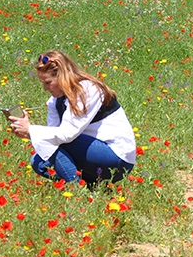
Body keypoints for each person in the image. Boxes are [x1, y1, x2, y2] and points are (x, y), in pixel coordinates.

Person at [9, 50, 136, 186]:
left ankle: (77, 193)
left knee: (58, 143)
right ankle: (90, 187)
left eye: (48, 82)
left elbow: (66, 135)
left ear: (62, 76)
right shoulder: (55, 101)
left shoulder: (87, 90)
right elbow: (53, 136)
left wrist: (30, 130)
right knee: (38, 162)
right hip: (92, 154)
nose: (45, 88)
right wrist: (26, 133)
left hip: (117, 158)